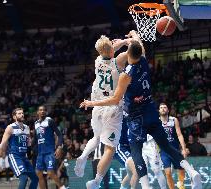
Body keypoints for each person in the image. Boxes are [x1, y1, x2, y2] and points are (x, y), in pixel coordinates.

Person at [80, 30, 202, 189]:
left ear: (128, 55)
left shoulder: (124, 75)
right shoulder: (143, 60)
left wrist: (92, 103)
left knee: (136, 152)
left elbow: (115, 99)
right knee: (167, 147)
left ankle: (146, 186)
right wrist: (134, 36)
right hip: (151, 110)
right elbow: (139, 47)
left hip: (136, 117)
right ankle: (192, 172)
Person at [74, 35, 130, 189]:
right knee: (110, 148)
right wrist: (129, 40)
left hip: (97, 106)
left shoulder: (98, 61)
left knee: (96, 137)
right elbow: (135, 50)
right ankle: (96, 181)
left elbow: (108, 51)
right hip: (112, 107)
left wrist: (118, 44)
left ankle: (83, 156)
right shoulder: (118, 61)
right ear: (111, 50)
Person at [0, 108, 38, 189]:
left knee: (35, 179)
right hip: (14, 156)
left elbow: (28, 143)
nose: (22, 114)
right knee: (24, 178)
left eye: (22, 113)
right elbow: (2, 144)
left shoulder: (27, 128)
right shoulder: (10, 127)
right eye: (19, 113)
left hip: (24, 157)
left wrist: (32, 140)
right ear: (14, 116)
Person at [34, 105, 65, 189]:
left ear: (46, 112)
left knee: (50, 172)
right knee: (38, 173)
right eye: (40, 110)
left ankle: (62, 187)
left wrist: (59, 147)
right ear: (38, 112)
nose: (42, 111)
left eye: (44, 110)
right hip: (40, 153)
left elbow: (59, 134)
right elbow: (35, 139)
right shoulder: (36, 124)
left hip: (49, 152)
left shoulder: (49, 121)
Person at [159, 103, 188, 189]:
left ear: (168, 110)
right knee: (167, 173)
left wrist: (184, 148)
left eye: (165, 107)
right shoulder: (157, 122)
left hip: (175, 149)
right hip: (164, 151)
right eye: (161, 108)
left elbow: (179, 135)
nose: (163, 109)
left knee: (181, 169)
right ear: (159, 111)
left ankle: (181, 184)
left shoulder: (174, 120)